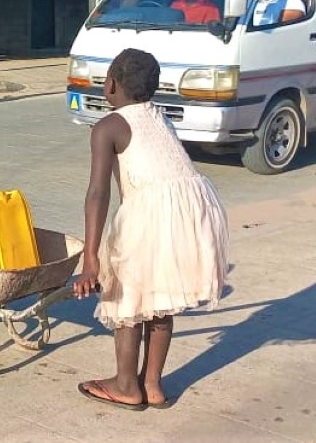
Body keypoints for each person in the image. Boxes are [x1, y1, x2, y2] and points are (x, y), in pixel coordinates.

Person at [73, 48, 231, 411]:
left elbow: (98, 192)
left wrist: (91, 257)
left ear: (110, 83)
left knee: (128, 296)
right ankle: (154, 385)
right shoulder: (160, 117)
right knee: (161, 299)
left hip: (152, 212)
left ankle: (126, 385)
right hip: (190, 209)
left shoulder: (108, 126)